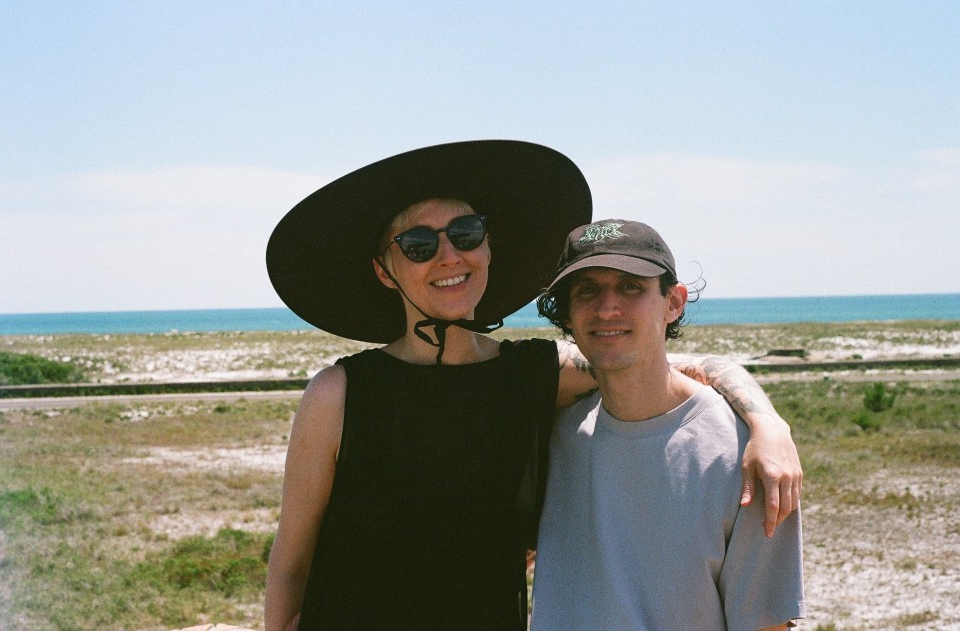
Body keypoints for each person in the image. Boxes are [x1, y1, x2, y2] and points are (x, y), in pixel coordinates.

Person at [262, 141, 802, 631]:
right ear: (385, 270)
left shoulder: (536, 376)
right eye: (419, 244)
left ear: (489, 246)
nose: (449, 256)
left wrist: (764, 422)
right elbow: (292, 560)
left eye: (466, 234)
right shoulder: (340, 394)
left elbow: (663, 362)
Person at [531, 219, 806, 630]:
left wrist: (766, 423)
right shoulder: (551, 433)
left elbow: (765, 624)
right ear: (566, 313)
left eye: (631, 287)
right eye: (587, 290)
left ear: (674, 302)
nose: (607, 308)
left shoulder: (748, 455)